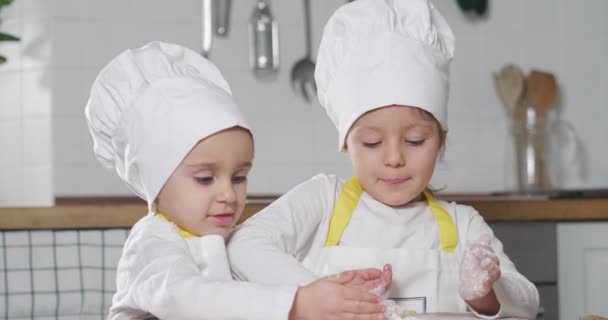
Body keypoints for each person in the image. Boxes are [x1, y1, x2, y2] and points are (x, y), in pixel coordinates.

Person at [228, 0, 540, 319]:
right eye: (372, 142)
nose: (394, 158)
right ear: (347, 144)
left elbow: (528, 302)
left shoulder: (464, 225)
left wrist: (485, 293)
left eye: (415, 140)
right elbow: (242, 245)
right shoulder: (324, 202)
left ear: (442, 141)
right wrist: (319, 296)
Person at [85, 41, 390, 320]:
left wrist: (336, 294)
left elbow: (254, 296)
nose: (228, 194)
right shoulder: (153, 243)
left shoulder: (227, 241)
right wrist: (299, 303)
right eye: (205, 179)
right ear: (156, 185)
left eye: (239, 177)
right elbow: (184, 298)